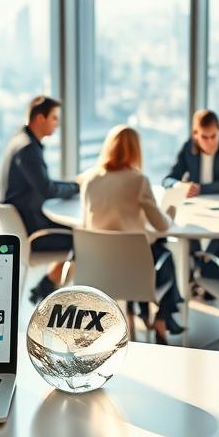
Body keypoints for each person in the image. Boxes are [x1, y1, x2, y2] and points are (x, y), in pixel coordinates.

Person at [80, 126, 184, 344]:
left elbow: (85, 224)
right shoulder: (139, 181)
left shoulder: (89, 179)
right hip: (133, 272)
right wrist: (171, 213)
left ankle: (153, 316)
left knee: (154, 249)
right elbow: (161, 225)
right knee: (165, 254)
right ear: (136, 150)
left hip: (98, 268)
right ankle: (162, 319)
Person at [0, 95, 79, 304]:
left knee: (78, 236)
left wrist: (70, 186)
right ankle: (54, 297)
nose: (57, 123)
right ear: (40, 118)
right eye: (54, 118)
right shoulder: (28, 149)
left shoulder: (20, 141)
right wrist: (76, 187)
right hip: (33, 231)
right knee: (85, 241)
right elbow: (47, 189)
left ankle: (46, 288)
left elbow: (44, 184)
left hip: (27, 223)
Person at [163, 109, 219, 286]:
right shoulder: (188, 148)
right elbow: (168, 179)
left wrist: (199, 189)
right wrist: (178, 185)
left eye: (214, 136)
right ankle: (195, 277)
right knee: (188, 232)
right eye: (204, 137)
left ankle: (209, 279)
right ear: (196, 135)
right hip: (195, 209)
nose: (210, 142)